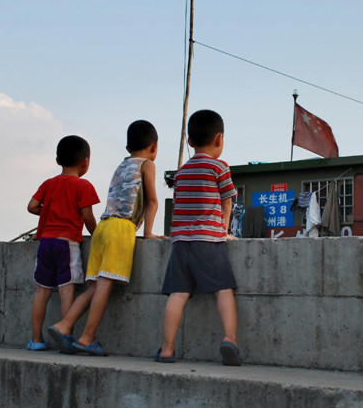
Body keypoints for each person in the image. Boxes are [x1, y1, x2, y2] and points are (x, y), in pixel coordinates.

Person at [46, 120, 163, 356]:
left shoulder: (121, 165)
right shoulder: (147, 165)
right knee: (105, 286)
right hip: (122, 228)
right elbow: (151, 200)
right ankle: (87, 337)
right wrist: (148, 232)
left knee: (95, 285)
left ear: (128, 146)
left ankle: (64, 325)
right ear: (154, 147)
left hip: (103, 227)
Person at [156, 109, 241, 366]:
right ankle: (230, 339)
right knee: (223, 291)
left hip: (181, 242)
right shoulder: (219, 167)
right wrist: (224, 230)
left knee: (177, 295)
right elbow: (228, 200)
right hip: (209, 242)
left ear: (190, 142)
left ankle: (167, 348)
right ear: (219, 139)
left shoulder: (181, 173)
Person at [26, 135, 100, 350]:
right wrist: (96, 234)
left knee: (42, 291)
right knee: (67, 289)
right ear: (85, 162)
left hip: (45, 243)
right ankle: (65, 336)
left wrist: (48, 213)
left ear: (58, 160)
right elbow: (87, 217)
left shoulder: (49, 184)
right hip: (66, 244)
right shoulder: (83, 186)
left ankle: (36, 340)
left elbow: (31, 206)